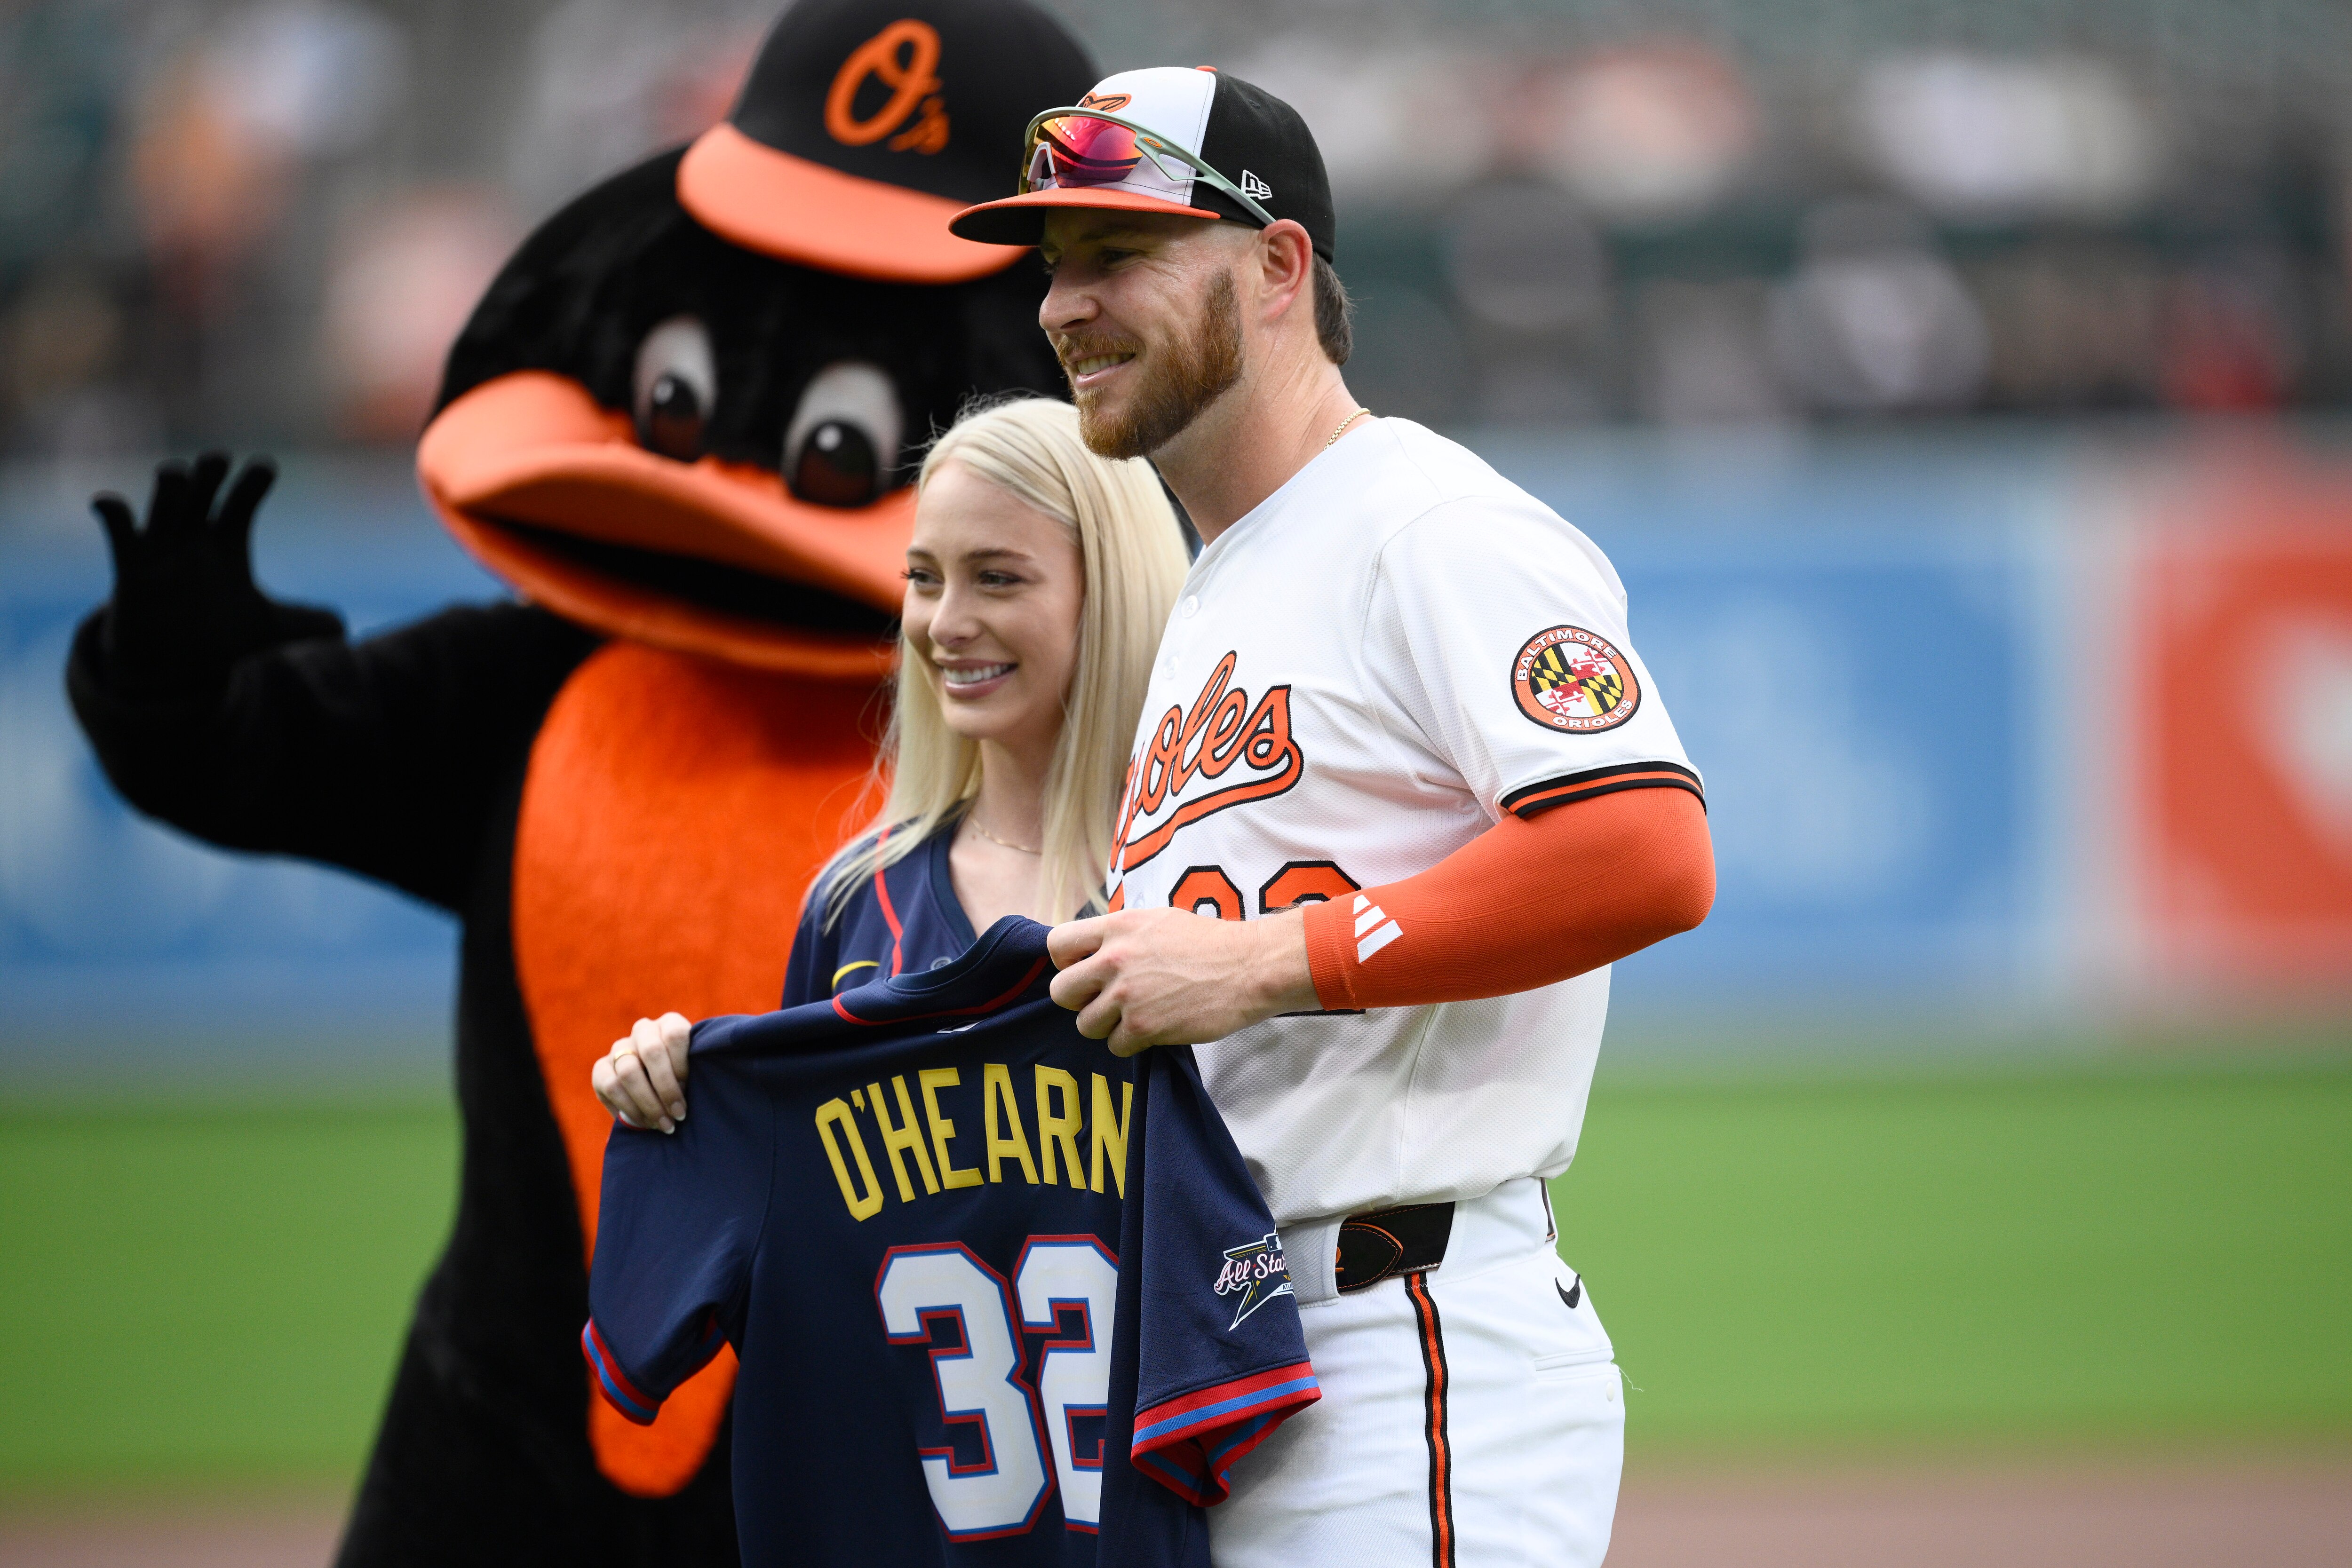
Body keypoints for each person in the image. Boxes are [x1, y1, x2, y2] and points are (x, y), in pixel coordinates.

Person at [943, 67, 1717, 1568]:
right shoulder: (1223, 578)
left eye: (1120, 255)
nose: (1064, 307)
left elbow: (1644, 849)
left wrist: (1264, 963)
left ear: (1279, 263)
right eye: (1055, 265)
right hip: (1234, 1351)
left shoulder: (1428, 526)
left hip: (1407, 1342)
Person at [595, 395, 1190, 1132]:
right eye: (924, 577)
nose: (944, 624)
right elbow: (800, 1198)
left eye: (997, 577)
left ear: (1111, 593)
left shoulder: (1208, 879)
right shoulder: (853, 902)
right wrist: (669, 1080)